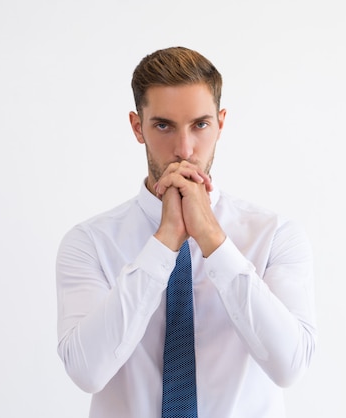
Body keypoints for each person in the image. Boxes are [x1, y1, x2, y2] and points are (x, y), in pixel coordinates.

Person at [56, 46, 317, 417]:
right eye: (163, 125)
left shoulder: (275, 236)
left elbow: (290, 366)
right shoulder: (89, 243)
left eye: (200, 124)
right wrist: (164, 244)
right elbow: (87, 371)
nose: (184, 149)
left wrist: (214, 240)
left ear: (221, 124)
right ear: (137, 127)